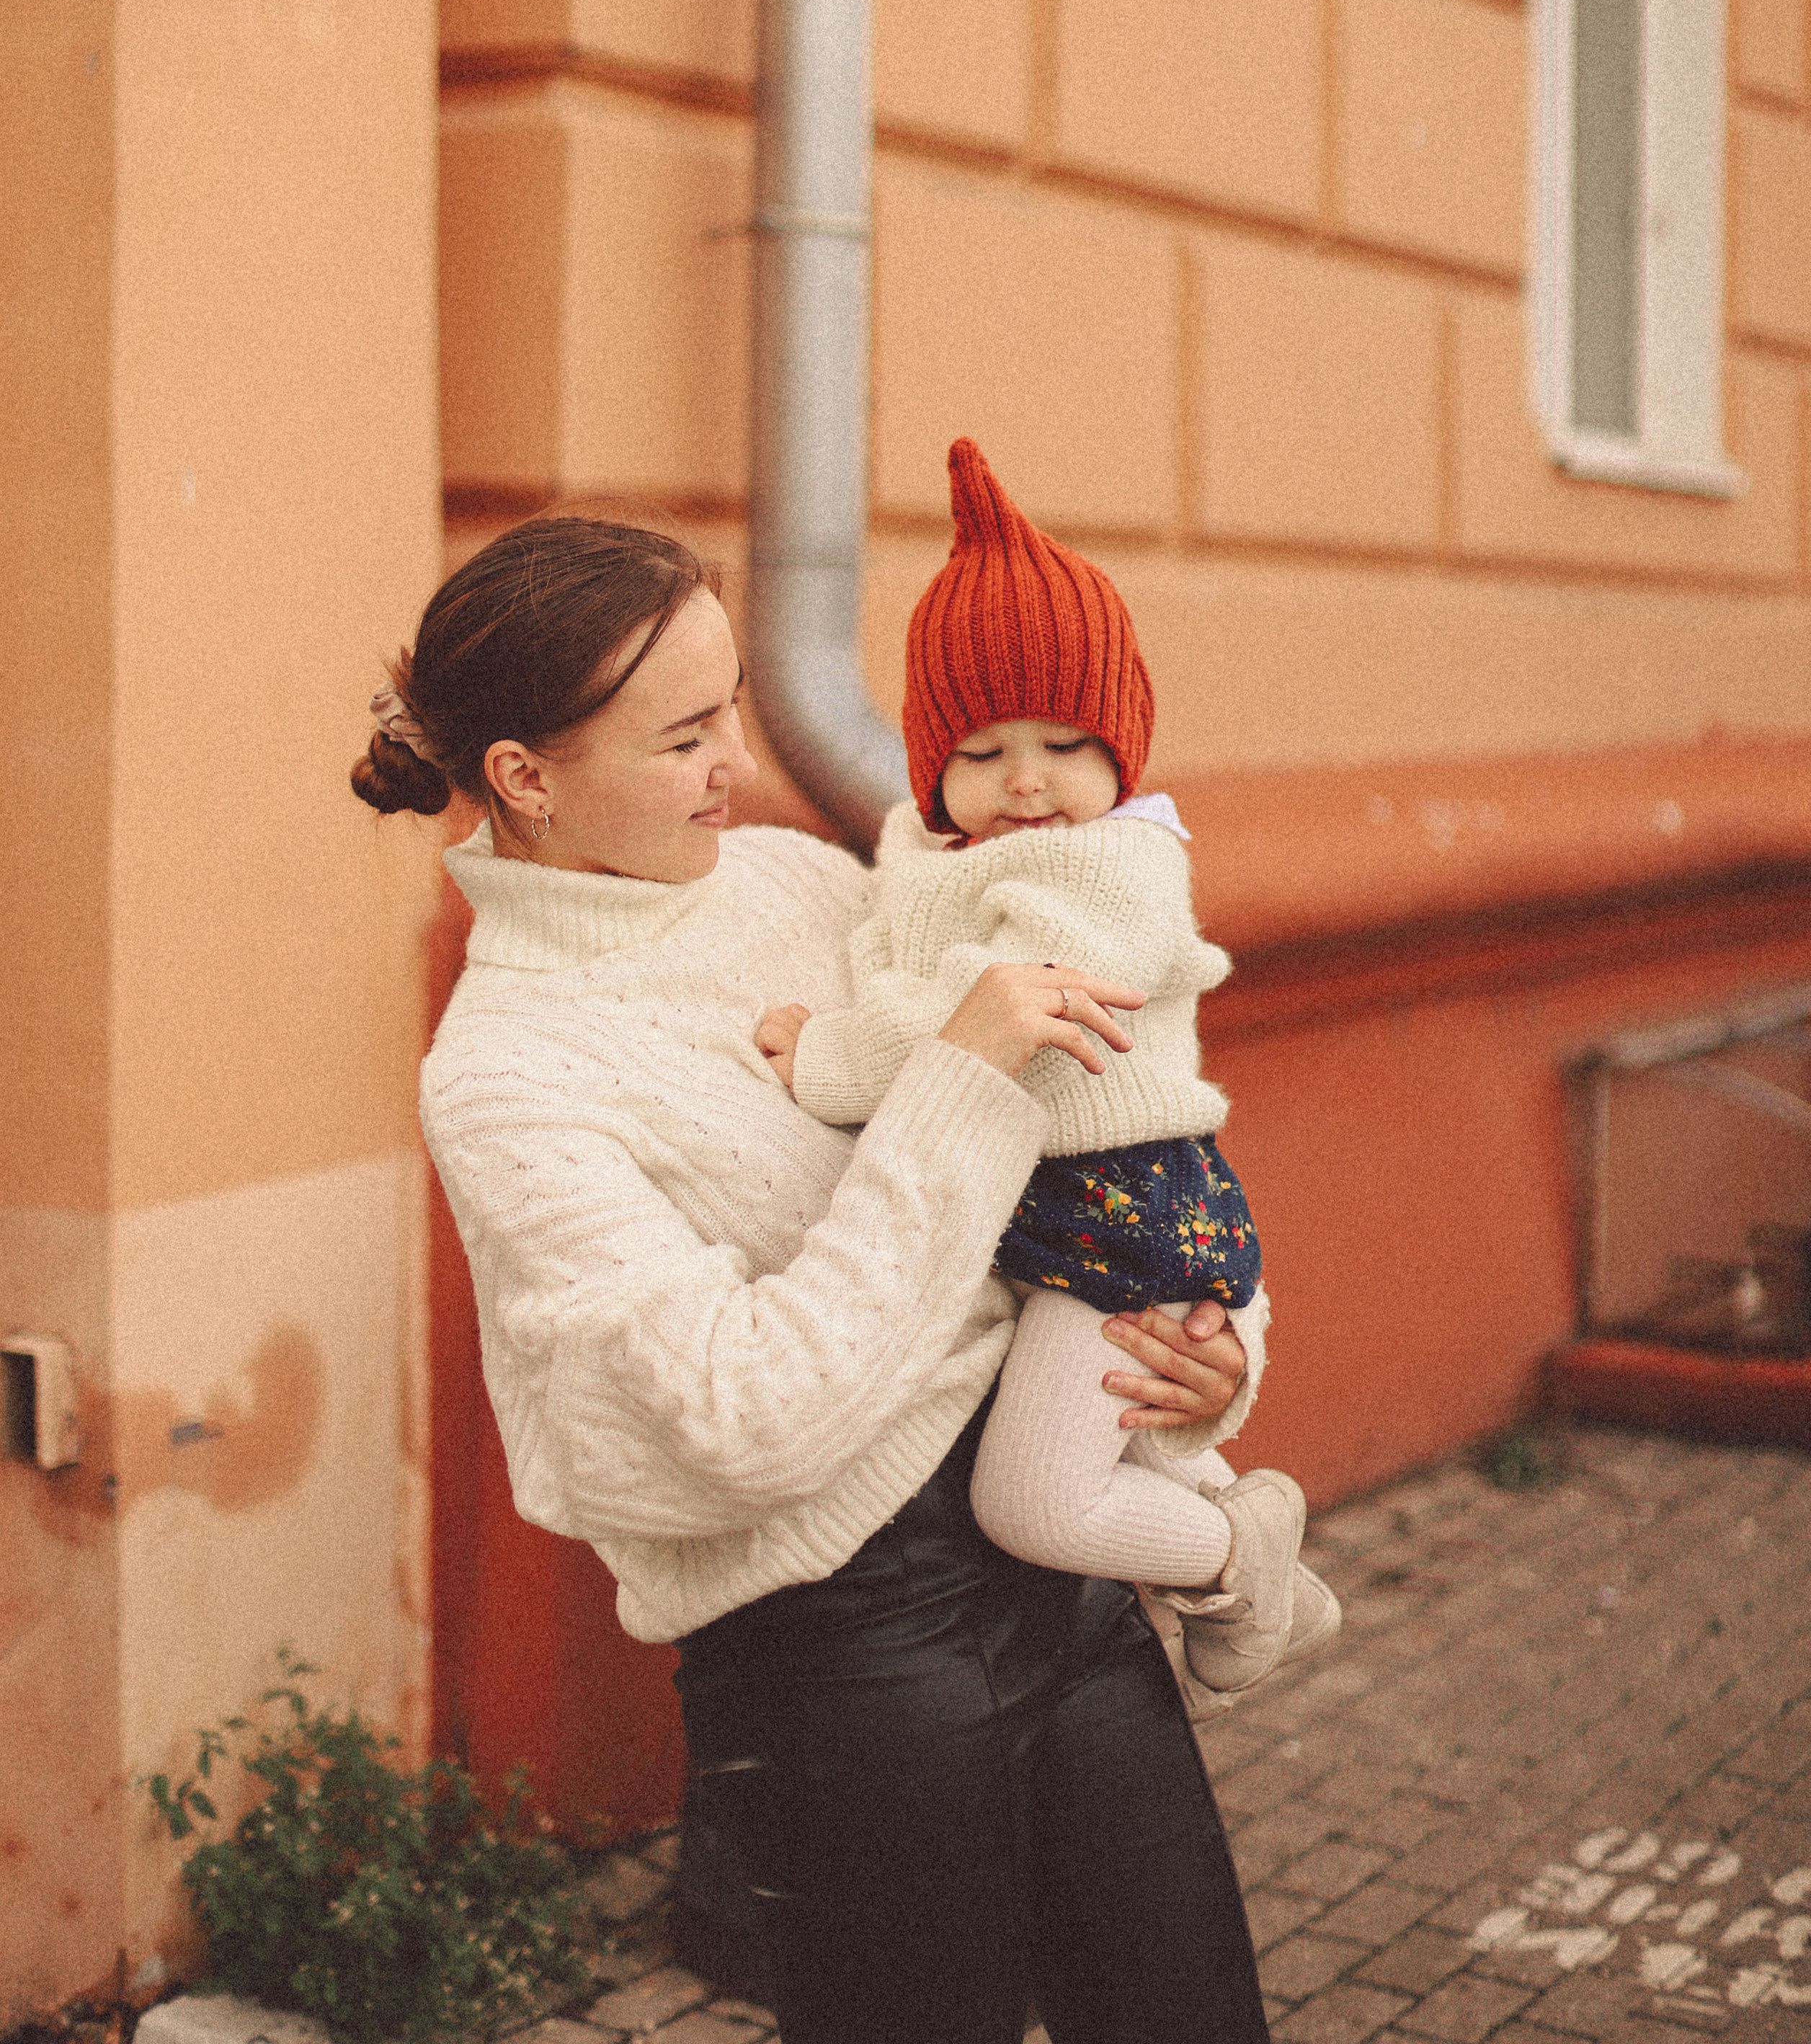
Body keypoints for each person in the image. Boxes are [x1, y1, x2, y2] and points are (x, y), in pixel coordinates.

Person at [355, 512, 1274, 2044]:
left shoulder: (792, 880)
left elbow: (1086, 1126)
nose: (738, 758)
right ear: (522, 776)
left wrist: (1206, 1352)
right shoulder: (506, 1076)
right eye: (684, 734)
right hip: (846, 1662)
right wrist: (956, 1078)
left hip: (1053, 1568)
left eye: (729, 708)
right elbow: (742, 1416)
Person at [754, 440, 1338, 1702]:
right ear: (929, 764)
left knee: (1035, 1502)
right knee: (1145, 1451)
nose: (1025, 778)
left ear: (1122, 749)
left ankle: (1238, 1553)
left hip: (1119, 1214)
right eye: (982, 748)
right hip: (1056, 1225)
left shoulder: (1108, 869)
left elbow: (994, 1024)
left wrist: (828, 1053)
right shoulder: (929, 854)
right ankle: (1258, 1582)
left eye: (1065, 740)